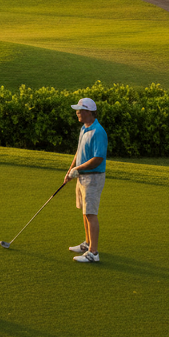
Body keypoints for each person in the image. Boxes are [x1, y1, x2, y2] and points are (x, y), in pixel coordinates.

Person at [65, 97, 107, 263]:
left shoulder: (98, 132)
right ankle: (88, 243)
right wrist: (70, 170)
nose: (77, 113)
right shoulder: (84, 128)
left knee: (91, 213)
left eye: (80, 110)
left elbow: (98, 158)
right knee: (84, 211)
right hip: (82, 176)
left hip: (93, 177)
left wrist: (78, 169)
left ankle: (93, 253)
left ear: (89, 112)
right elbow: (79, 152)